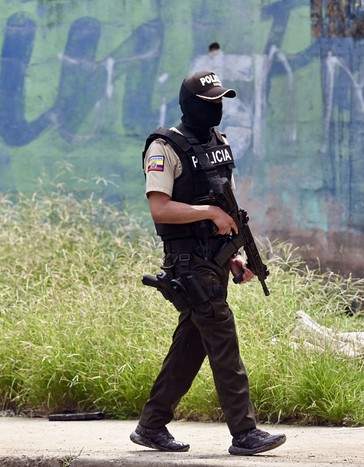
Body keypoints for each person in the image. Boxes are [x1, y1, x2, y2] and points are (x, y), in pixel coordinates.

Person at [129, 70, 286, 456]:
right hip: (187, 263)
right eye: (208, 102)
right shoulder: (164, 147)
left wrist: (233, 254)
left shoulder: (219, 142)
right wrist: (210, 215)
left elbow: (224, 202)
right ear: (189, 105)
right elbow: (159, 208)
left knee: (191, 344)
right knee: (222, 338)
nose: (216, 108)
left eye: (220, 101)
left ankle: (151, 425)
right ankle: (244, 433)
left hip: (213, 260)